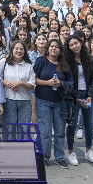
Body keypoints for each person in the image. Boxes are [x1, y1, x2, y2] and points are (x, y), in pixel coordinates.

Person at [34, 39, 74, 168]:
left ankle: (60, 157)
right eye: (52, 46)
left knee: (59, 131)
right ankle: (44, 156)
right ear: (48, 48)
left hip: (60, 101)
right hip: (43, 100)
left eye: (57, 47)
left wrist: (61, 83)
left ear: (60, 50)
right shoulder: (41, 61)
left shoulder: (64, 64)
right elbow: (33, 79)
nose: (54, 49)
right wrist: (47, 83)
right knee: (45, 131)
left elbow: (71, 82)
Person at [64, 35, 93, 164]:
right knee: (72, 124)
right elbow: (68, 81)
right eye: (71, 45)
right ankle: (71, 152)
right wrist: (76, 97)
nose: (74, 46)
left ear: (80, 43)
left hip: (87, 94)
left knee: (89, 123)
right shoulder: (67, 60)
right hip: (74, 96)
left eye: (76, 43)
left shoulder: (88, 58)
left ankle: (88, 150)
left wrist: (90, 95)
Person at [0, 40, 35, 125]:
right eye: (16, 48)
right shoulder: (4, 62)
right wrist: (8, 84)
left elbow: (32, 85)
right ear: (12, 50)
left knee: (24, 130)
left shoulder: (28, 66)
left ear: (24, 51)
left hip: (25, 100)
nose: (19, 51)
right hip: (9, 99)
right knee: (9, 130)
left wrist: (20, 83)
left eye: (21, 49)